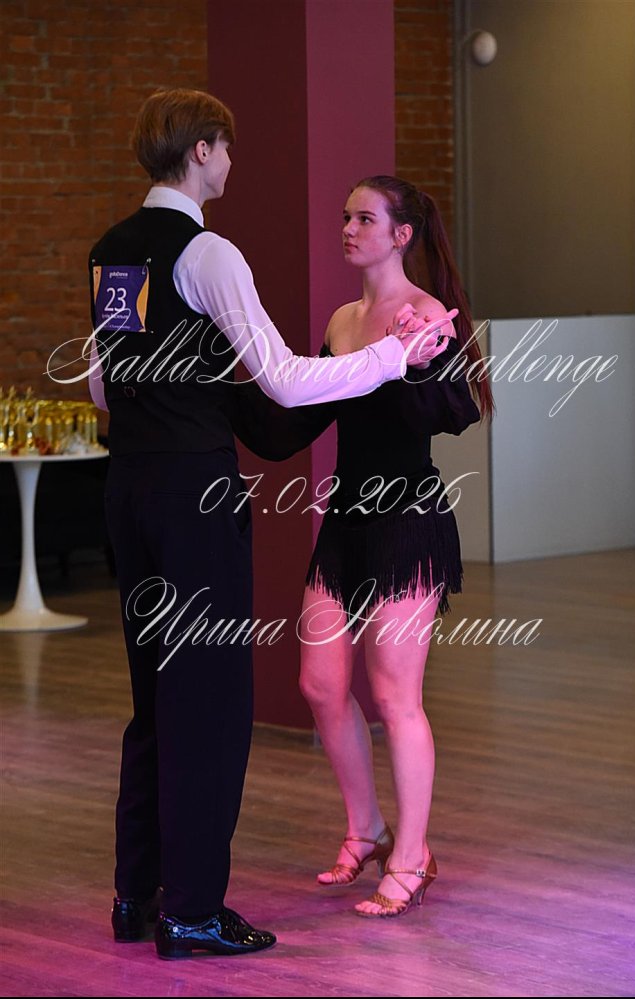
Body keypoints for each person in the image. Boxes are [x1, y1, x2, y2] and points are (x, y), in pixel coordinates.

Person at [87, 91, 445, 959]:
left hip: (127, 489)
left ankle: (137, 896)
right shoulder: (207, 252)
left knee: (153, 702)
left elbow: (101, 385)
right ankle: (192, 911)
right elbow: (283, 380)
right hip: (191, 497)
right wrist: (392, 356)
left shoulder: (113, 250)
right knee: (208, 703)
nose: (231, 164)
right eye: (227, 149)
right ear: (203, 152)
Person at [292, 176, 493, 918]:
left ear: (401, 235)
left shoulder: (427, 314)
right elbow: (310, 409)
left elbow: (456, 412)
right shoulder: (344, 319)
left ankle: (412, 856)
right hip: (345, 520)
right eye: (345, 217)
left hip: (408, 519)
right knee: (320, 684)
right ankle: (367, 829)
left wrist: (412, 360)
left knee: (393, 695)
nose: (348, 228)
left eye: (364, 219)